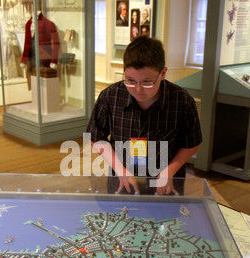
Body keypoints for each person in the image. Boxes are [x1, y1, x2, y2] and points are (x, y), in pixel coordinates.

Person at [86, 36, 202, 195]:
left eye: (147, 82)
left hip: (165, 182)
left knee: (167, 219)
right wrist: (120, 169)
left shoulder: (182, 101)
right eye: (130, 80)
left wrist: (169, 171)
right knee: (120, 218)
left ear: (163, 73)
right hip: (122, 180)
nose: (138, 89)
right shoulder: (110, 97)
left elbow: (191, 143)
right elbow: (95, 135)